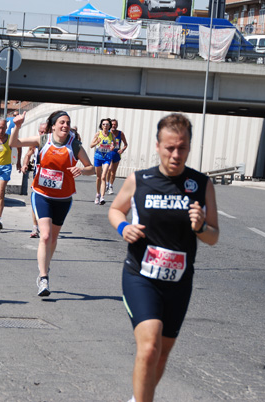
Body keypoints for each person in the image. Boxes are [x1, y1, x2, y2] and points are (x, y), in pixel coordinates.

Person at [108, 113, 219, 402]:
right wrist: (124, 227)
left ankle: (138, 398)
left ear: (190, 147)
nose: (176, 154)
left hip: (179, 283)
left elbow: (214, 236)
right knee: (148, 348)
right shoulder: (140, 180)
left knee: (161, 356)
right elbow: (115, 209)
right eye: (170, 147)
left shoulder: (201, 184)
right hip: (140, 276)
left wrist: (200, 227)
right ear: (157, 146)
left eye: (182, 147)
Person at [9, 111, 95, 297]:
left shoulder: (75, 145)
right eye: (61, 122)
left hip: (63, 198)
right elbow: (14, 143)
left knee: (53, 238)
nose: (65, 125)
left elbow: (91, 168)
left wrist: (81, 170)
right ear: (53, 125)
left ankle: (45, 265)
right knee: (45, 236)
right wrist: (17, 126)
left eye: (67, 123)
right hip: (42, 194)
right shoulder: (43, 140)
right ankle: (43, 277)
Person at [21, 122, 47, 238]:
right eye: (41, 132)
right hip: (38, 175)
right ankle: (35, 228)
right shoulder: (35, 143)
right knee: (35, 201)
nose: (43, 134)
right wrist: (24, 165)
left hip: (52, 177)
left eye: (45, 132)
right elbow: (27, 155)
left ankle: (47, 226)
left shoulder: (55, 143)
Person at [90, 118, 114, 205]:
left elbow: (114, 144)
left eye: (107, 124)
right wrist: (97, 142)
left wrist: (112, 147)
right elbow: (91, 145)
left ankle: (102, 197)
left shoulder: (111, 135)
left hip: (107, 157)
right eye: (104, 124)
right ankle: (98, 194)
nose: (105, 126)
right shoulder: (98, 134)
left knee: (104, 176)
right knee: (98, 177)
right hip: (98, 157)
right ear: (101, 125)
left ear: (109, 126)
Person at [107, 118, 128, 195]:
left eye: (115, 124)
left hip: (116, 153)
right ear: (110, 125)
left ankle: (111, 186)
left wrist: (122, 150)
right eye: (112, 124)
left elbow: (126, 144)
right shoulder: (107, 133)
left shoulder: (120, 133)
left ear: (117, 125)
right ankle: (107, 183)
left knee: (113, 172)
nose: (114, 126)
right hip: (109, 153)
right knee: (109, 169)